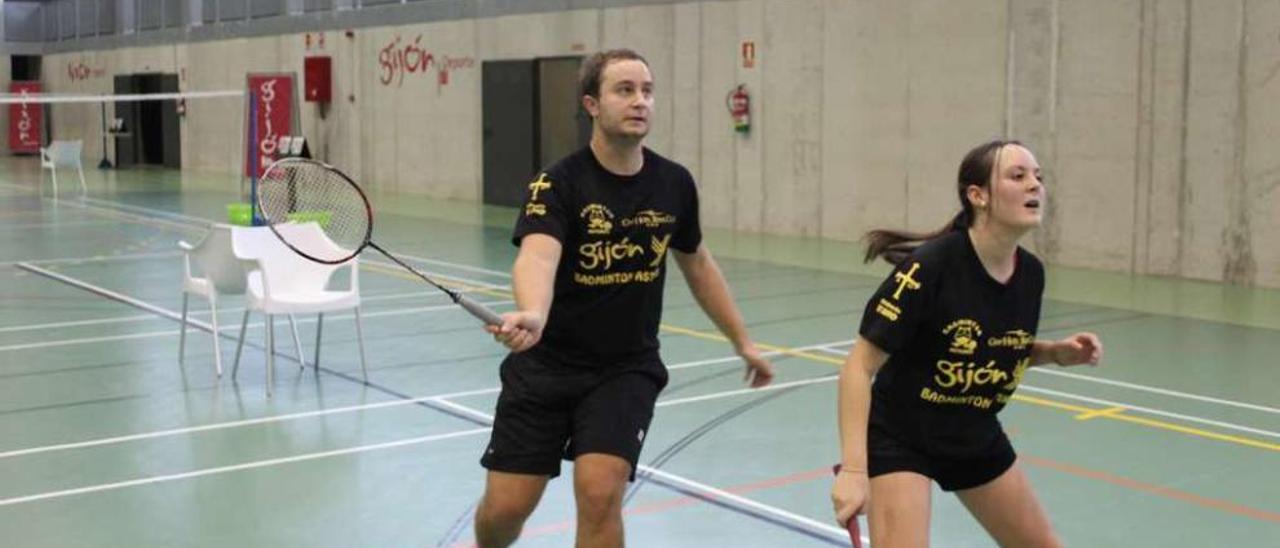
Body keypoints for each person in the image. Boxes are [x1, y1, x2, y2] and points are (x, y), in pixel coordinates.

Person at [473, 48, 776, 548]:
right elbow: (538, 257)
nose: (640, 102)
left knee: (600, 493)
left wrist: (742, 340)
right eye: (625, 90)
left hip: (624, 369)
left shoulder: (673, 183)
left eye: (647, 91)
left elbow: (696, 262)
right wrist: (534, 312)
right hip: (545, 367)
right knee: (507, 508)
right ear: (592, 104)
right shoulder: (557, 183)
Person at [830, 140, 1103, 547]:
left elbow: (989, 345)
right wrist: (854, 470)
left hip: (972, 433)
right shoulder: (931, 266)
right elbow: (860, 365)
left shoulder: (1030, 274)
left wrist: (1053, 353)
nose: (1035, 186)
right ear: (978, 196)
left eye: (1038, 177)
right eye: (1018, 176)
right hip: (903, 435)